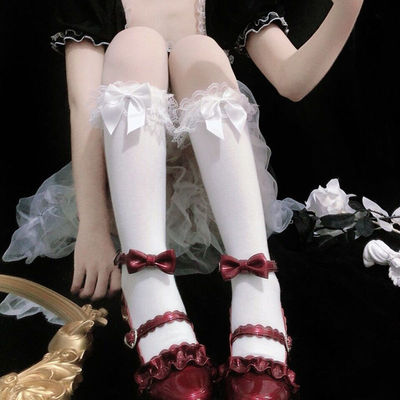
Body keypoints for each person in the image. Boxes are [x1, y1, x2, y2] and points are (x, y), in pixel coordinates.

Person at [0, 0, 364, 398]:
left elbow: (292, 80)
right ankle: (146, 278)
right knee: (136, 45)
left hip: (219, 204)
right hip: (128, 203)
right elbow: (84, 105)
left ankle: (256, 284)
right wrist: (93, 223)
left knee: (198, 50)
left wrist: (348, 7)